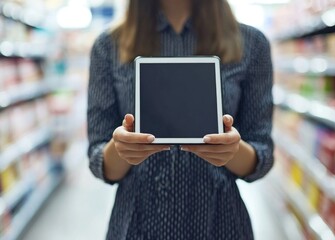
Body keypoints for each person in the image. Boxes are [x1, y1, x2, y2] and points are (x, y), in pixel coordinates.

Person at [87, 0, 274, 239]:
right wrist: (121, 149)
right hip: (137, 222)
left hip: (220, 221)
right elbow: (98, 157)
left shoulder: (251, 43)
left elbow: (262, 153)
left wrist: (232, 150)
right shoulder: (108, 46)